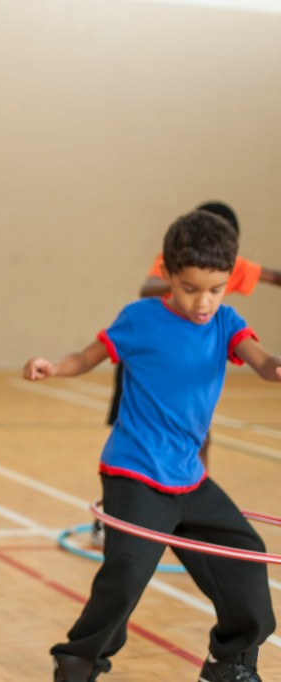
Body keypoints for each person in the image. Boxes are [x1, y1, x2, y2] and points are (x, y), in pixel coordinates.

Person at [24, 210, 280, 682]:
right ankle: (77, 658)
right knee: (127, 573)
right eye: (190, 288)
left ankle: (229, 663)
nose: (204, 302)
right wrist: (53, 367)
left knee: (244, 556)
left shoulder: (226, 323)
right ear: (168, 274)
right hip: (135, 472)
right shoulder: (140, 319)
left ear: (229, 280)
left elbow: (263, 362)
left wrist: (277, 367)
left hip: (188, 477)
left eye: (216, 289)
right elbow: (87, 357)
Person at [95, 201, 281, 547]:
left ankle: (189, 503)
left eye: (217, 287)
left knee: (200, 439)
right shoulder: (177, 263)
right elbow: (148, 288)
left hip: (196, 364)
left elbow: (273, 278)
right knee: (134, 444)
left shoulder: (232, 274)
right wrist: (192, 285)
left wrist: (206, 289)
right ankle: (114, 519)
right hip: (152, 362)